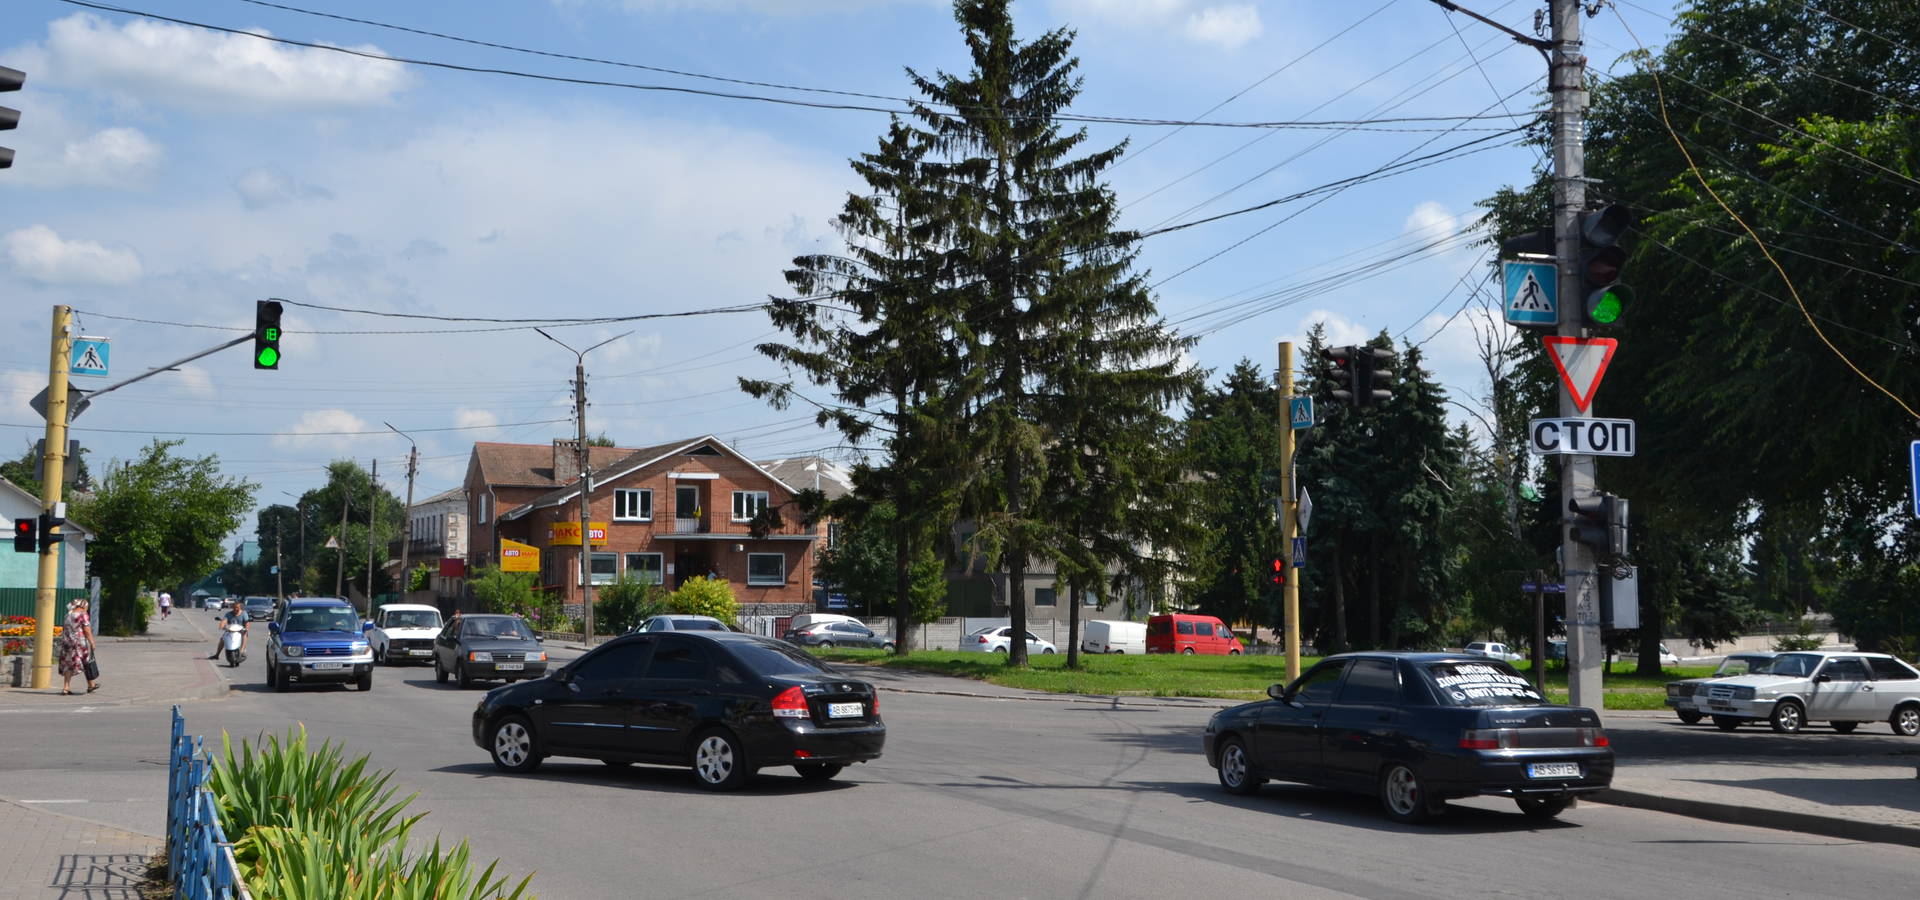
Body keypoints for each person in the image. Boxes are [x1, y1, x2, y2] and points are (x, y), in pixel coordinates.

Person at [58, 597, 98, 695]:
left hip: (67, 643)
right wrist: (92, 642)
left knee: (68, 664)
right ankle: (91, 685)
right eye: (87, 607)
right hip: (79, 643)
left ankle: (66, 688)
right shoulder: (83, 615)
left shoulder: (68, 614)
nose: (87, 609)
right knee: (86, 662)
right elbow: (87, 630)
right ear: (83, 605)